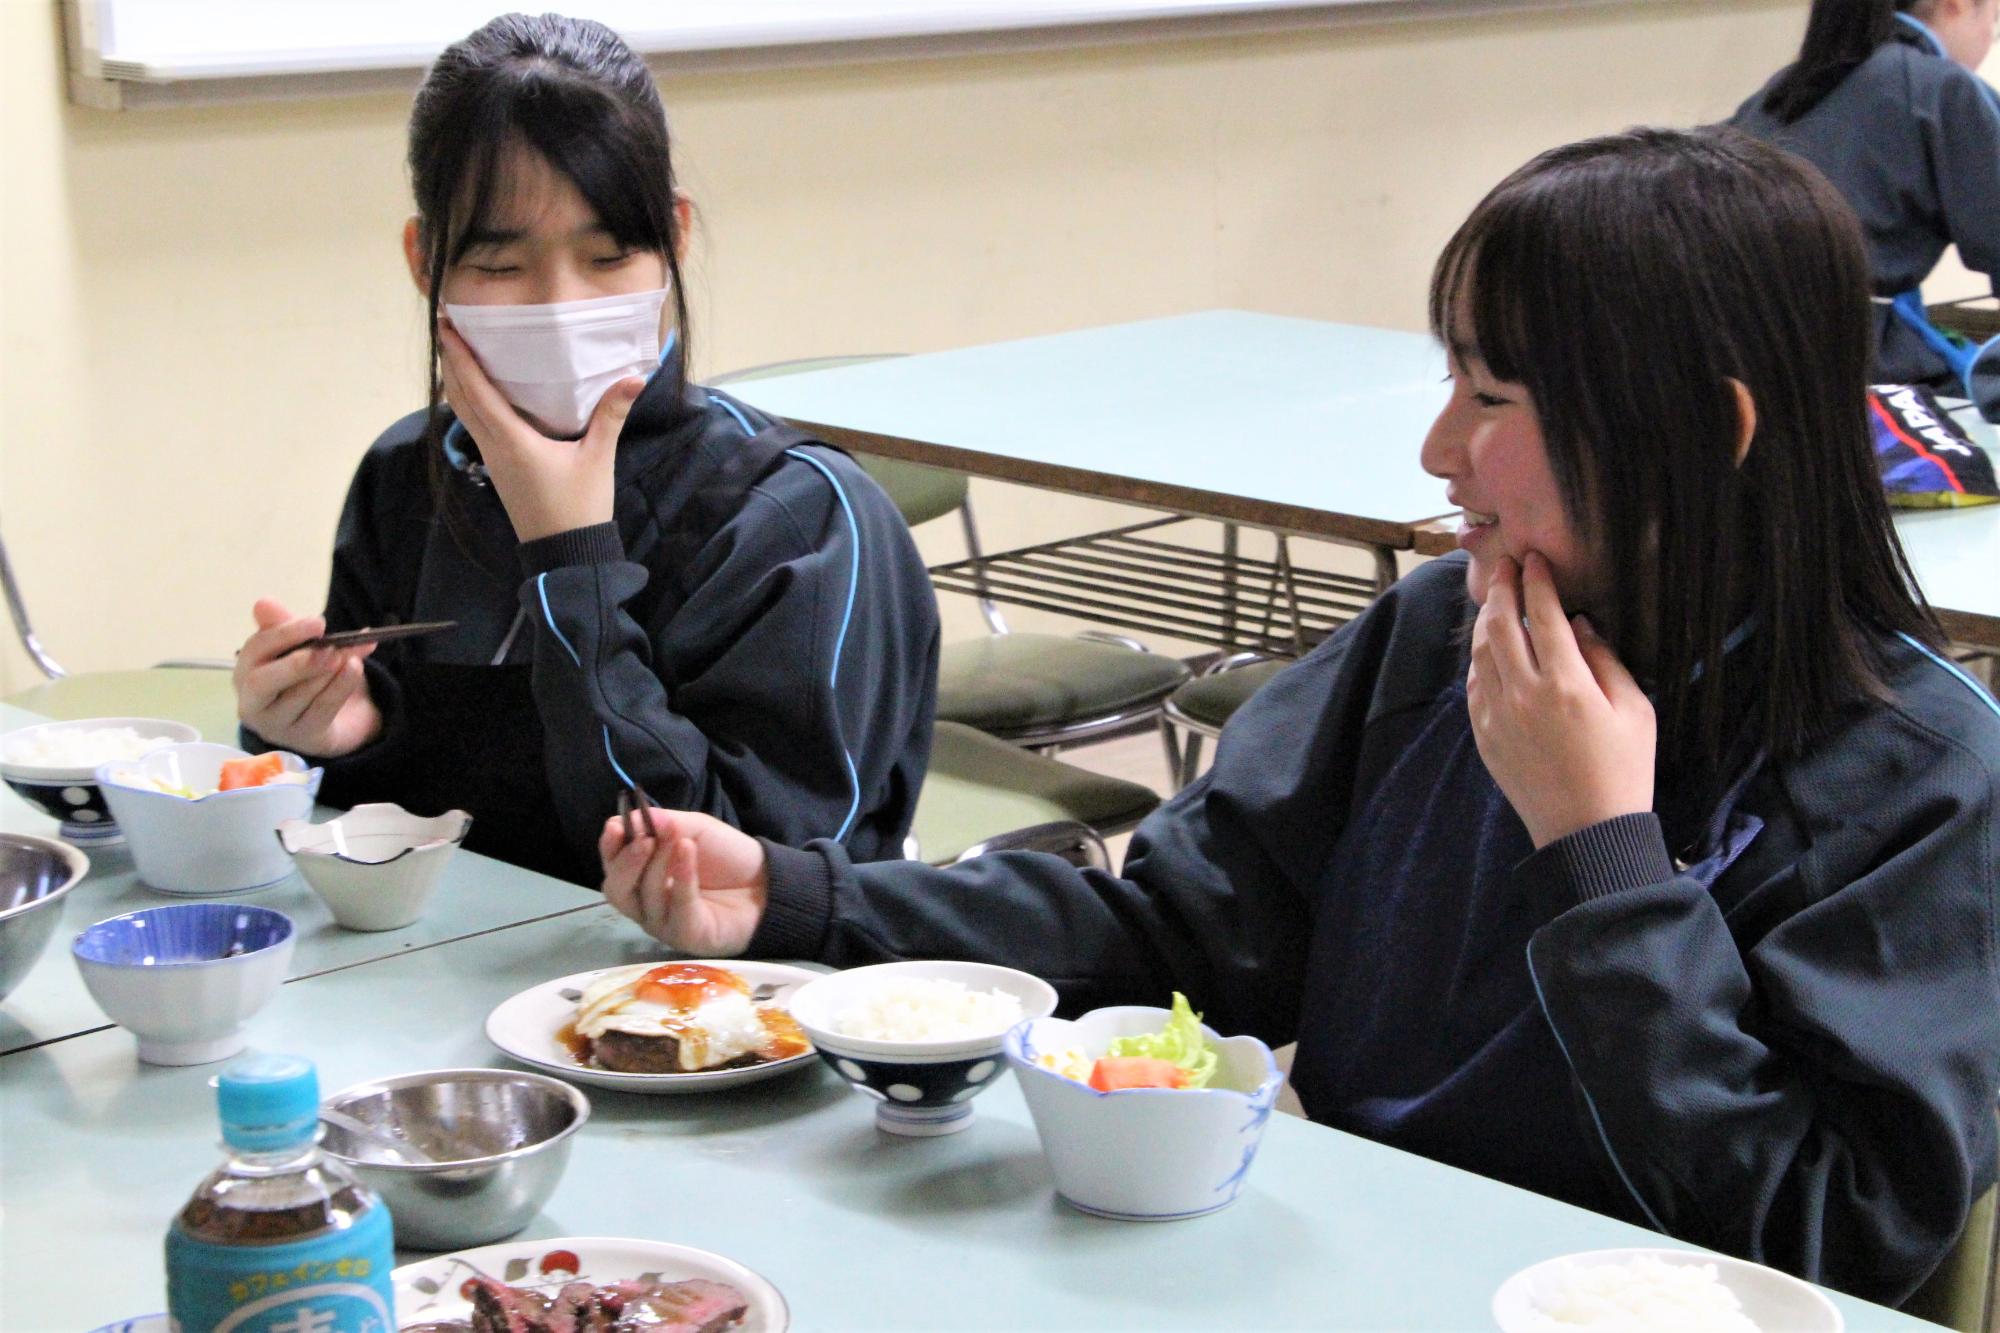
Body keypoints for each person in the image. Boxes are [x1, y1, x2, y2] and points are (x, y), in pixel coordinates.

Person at [598, 127, 2000, 1306]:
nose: (1439, 449)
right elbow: (1184, 937)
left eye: (1492, 395)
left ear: (1713, 431)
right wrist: (802, 899)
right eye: (1448, 380)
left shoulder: (1924, 774)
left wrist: (1602, 851)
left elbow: (1817, 1249)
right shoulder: (1436, 635)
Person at [231, 13, 939, 885]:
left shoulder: (798, 522)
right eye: (499, 266)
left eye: (608, 255)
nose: (559, 304)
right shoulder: (407, 476)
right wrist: (341, 734)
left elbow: (738, 886)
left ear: (674, 238)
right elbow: (402, 825)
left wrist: (574, 563)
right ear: (426, 262)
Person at [1730, 0, 2000, 418]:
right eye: (1996, 19)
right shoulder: (1939, 89)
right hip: (1860, 370)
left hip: (1741, 366)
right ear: (1959, 3)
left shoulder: (1773, 96)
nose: (1993, 35)